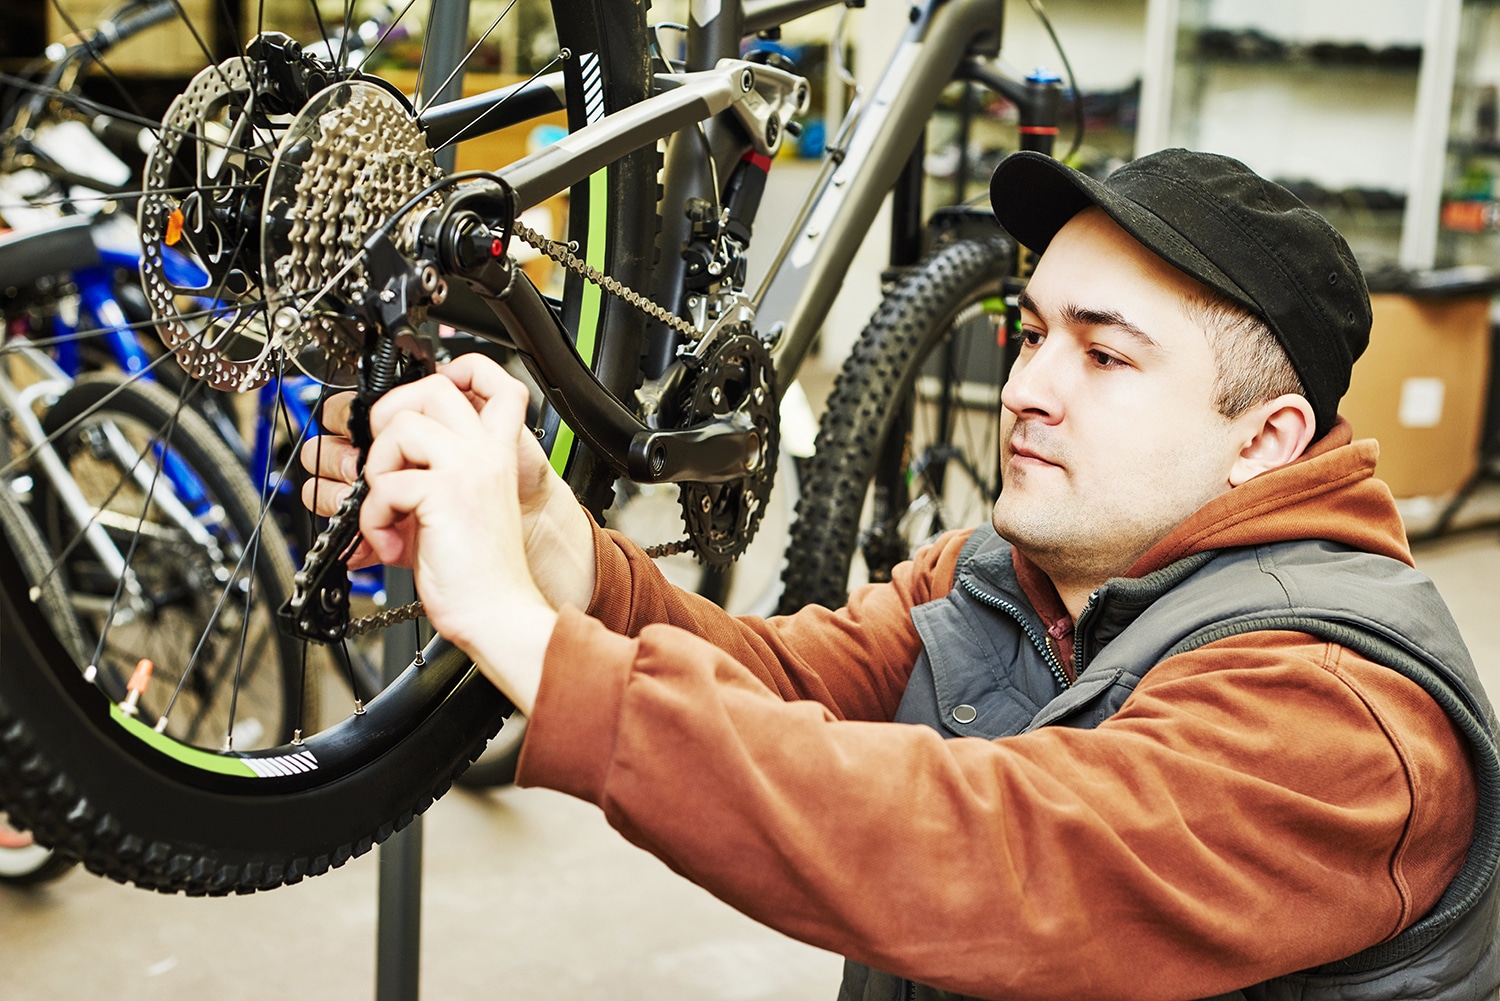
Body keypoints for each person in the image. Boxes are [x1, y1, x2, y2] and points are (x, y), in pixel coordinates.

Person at [303, 148, 1500, 1001]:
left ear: (1266, 441)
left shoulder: (1344, 714)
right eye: (1032, 334)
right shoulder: (1012, 569)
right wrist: (545, 529)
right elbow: (784, 684)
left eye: (1105, 354)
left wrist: (519, 629)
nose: (1028, 387)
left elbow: (1002, 860)